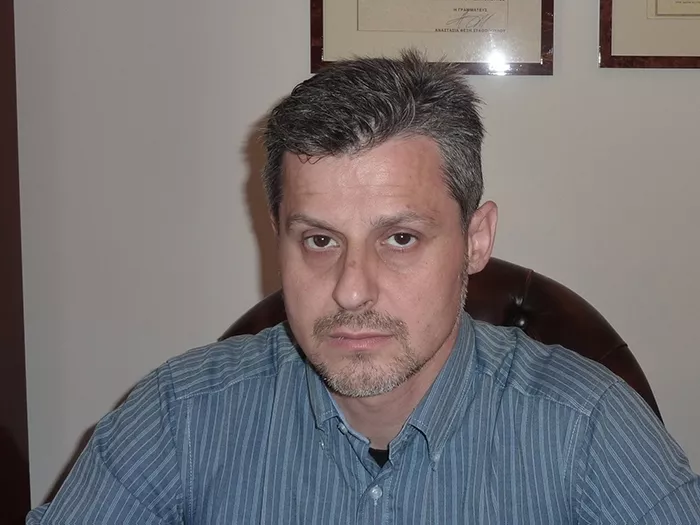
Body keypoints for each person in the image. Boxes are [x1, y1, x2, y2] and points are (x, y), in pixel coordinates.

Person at [28, 49, 700, 524]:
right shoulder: (177, 418)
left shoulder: (589, 429)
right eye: (320, 240)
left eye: (399, 238)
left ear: (475, 240)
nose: (352, 291)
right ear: (278, 237)